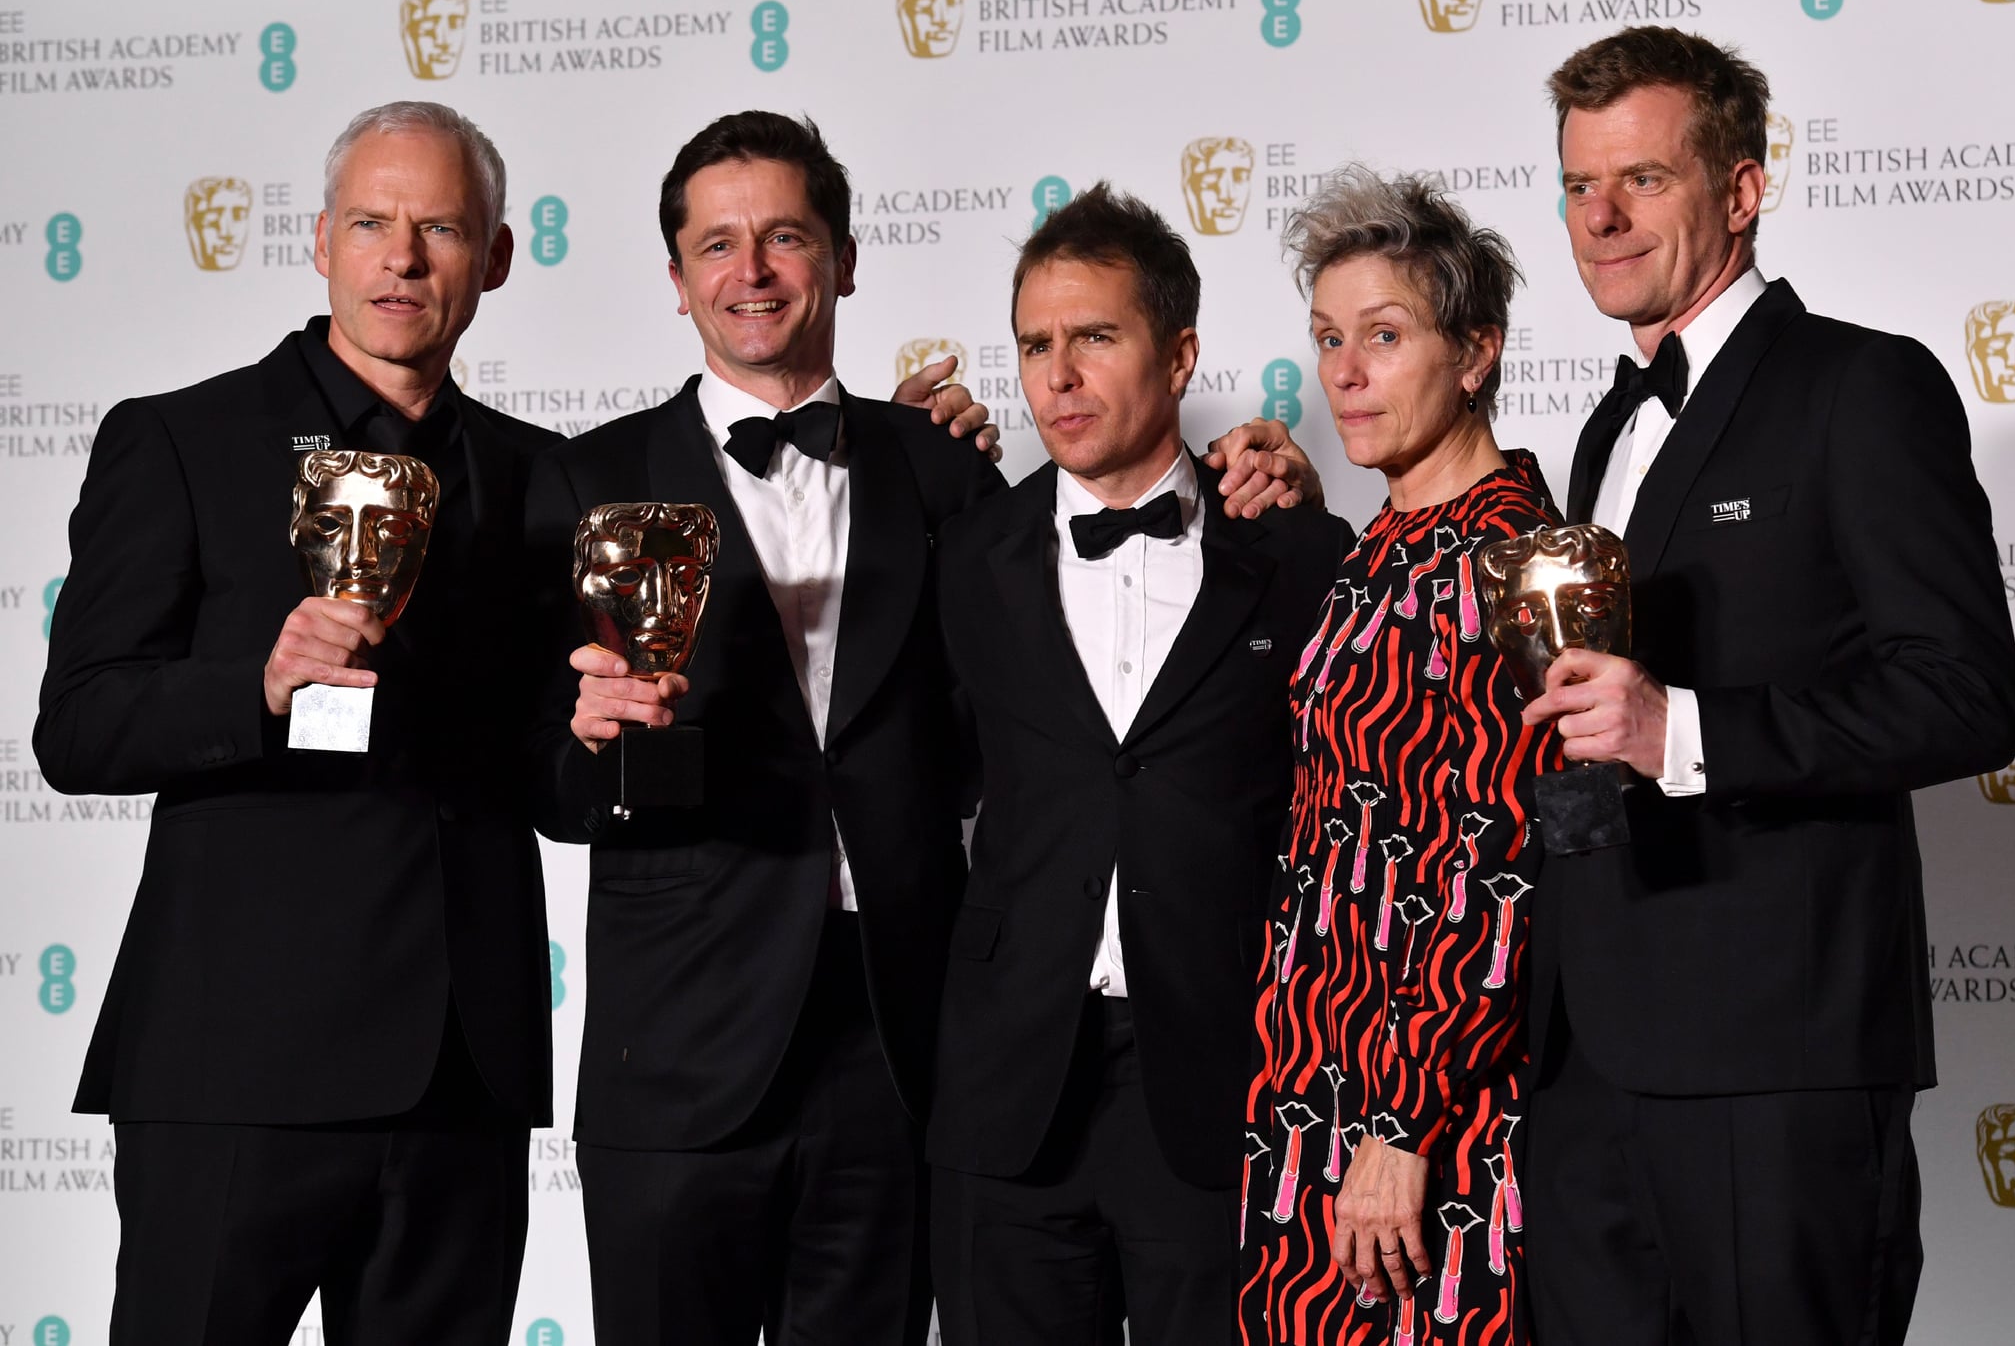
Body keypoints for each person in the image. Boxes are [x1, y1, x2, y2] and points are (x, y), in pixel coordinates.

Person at [1519, 27, 2015, 1346]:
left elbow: (1966, 693)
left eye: (1644, 179)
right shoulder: (1606, 424)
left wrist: (1675, 728)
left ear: (1742, 190)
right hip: (1585, 1060)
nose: (1604, 217)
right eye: (1579, 185)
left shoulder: (1864, 386)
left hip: (1773, 1059)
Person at [35, 101, 557, 1345]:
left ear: (494, 255)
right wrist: (256, 688)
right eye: (372, 223)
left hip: (458, 1075)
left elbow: (543, 765)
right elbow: (80, 726)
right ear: (320, 241)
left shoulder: (544, 474)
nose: (403, 257)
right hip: (234, 1068)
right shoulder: (181, 438)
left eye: (439, 226)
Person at [522, 110, 1006, 1346]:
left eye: (785, 237)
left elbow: (1015, 723)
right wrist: (583, 737)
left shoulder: (939, 470)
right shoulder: (587, 480)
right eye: (718, 246)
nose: (752, 273)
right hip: (677, 1043)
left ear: (843, 259)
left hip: (892, 1036)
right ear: (678, 282)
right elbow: (538, 779)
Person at [926, 183, 1353, 1345]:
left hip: (1224, 1074)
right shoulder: (962, 556)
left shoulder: (1298, 553)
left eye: (1094, 338)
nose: (1057, 376)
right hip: (1009, 1083)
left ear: (1179, 352)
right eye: (1034, 345)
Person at [1236, 169, 1564, 1345]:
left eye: (1383, 335)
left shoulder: (1514, 563)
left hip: (1430, 1120)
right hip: (1309, 1082)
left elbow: (1501, 865)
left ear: (1474, 353)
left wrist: (1399, 1125)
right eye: (1328, 338)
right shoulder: (1374, 546)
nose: (1343, 371)